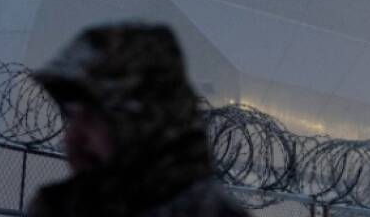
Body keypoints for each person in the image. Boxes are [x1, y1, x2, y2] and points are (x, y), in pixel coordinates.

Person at [27, 22, 249, 217]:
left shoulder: (209, 213)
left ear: (143, 121)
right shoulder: (59, 209)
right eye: (72, 116)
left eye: (92, 118)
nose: (72, 139)